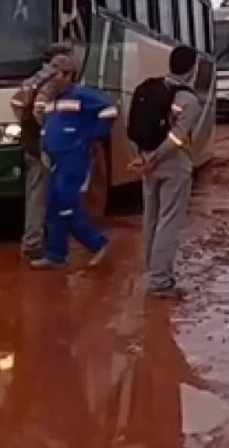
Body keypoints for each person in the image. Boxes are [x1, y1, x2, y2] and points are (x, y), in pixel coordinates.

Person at [31, 54, 117, 270]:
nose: (52, 80)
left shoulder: (82, 95)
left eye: (56, 74)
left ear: (68, 75)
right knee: (53, 205)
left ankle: (97, 244)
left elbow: (110, 110)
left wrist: (90, 135)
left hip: (74, 158)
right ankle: (55, 254)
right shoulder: (52, 101)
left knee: (66, 205)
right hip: (55, 159)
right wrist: (44, 147)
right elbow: (47, 126)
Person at [128, 45, 200, 299]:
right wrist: (156, 157)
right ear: (192, 69)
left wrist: (144, 157)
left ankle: (154, 272)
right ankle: (160, 281)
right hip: (173, 165)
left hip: (148, 163)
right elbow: (178, 138)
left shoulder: (151, 89)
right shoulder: (188, 100)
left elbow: (135, 126)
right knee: (169, 221)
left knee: (151, 219)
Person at [11, 42, 74, 259]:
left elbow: (16, 101)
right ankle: (34, 243)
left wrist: (25, 123)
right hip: (41, 146)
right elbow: (40, 109)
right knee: (42, 195)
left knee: (35, 192)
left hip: (29, 142)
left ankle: (36, 239)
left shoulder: (34, 79)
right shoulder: (50, 84)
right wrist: (49, 133)